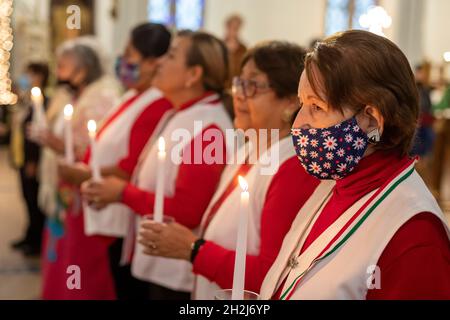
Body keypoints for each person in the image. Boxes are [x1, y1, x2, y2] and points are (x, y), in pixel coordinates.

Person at [259, 30, 450, 300]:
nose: (298, 123)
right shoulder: (335, 184)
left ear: (371, 119)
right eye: (302, 104)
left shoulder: (415, 234)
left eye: (316, 107)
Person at [136, 41, 321, 300]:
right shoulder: (248, 151)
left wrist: (193, 249)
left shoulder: (291, 168)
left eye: (253, 85)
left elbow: (274, 275)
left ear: (291, 102)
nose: (239, 95)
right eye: (239, 83)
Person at [81, 31, 234, 300]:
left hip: (176, 275)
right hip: (160, 260)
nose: (160, 62)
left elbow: (189, 210)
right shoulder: (182, 113)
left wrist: (122, 193)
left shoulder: (207, 128)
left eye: (172, 55)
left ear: (194, 74)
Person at [40, 37, 122, 300]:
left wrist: (54, 144)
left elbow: (94, 151)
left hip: (85, 185)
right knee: (64, 245)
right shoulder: (75, 95)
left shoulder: (103, 97)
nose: (59, 71)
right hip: (67, 184)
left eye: (64, 65)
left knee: (81, 253)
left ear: (83, 67)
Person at [10, 63, 49, 256]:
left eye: (31, 73)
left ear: (40, 75)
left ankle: (36, 241)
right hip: (22, 157)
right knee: (27, 198)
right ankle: (29, 236)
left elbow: (37, 133)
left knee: (34, 200)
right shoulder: (28, 99)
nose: (27, 77)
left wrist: (32, 161)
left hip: (32, 160)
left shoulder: (43, 100)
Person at [224, 14, 247, 86]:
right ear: (227, 27)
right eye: (232, 27)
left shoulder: (243, 48)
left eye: (237, 28)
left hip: (236, 86)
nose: (234, 30)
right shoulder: (219, 46)